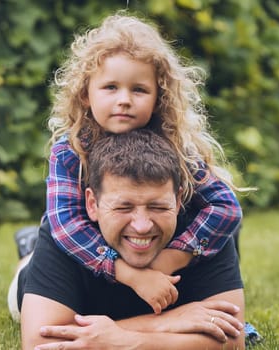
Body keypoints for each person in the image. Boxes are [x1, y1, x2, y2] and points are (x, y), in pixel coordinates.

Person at [42, 11, 254, 315]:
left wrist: (172, 257)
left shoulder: (177, 146)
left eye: (139, 89)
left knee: (223, 234)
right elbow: (65, 225)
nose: (124, 99)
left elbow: (226, 207)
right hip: (86, 257)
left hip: (157, 245)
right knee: (31, 274)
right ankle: (27, 254)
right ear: (86, 94)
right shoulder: (70, 150)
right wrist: (132, 275)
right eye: (111, 87)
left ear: (159, 97)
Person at [8, 129, 246, 349]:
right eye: (124, 207)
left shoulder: (203, 233)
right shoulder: (67, 232)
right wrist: (167, 322)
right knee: (30, 264)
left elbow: (233, 339)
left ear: (178, 199)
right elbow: (42, 343)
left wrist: (126, 341)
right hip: (39, 272)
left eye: (157, 206)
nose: (142, 226)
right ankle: (31, 248)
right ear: (92, 204)